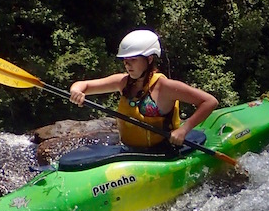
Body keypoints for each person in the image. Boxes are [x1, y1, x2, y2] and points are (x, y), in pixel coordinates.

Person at [69, 29, 218, 149]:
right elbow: (84, 85)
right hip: (130, 151)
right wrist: (76, 91)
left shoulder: (165, 87)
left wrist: (184, 130)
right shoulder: (122, 82)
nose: (128, 65)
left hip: (163, 151)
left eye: (133, 60)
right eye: (125, 61)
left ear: (149, 59)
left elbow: (209, 101)